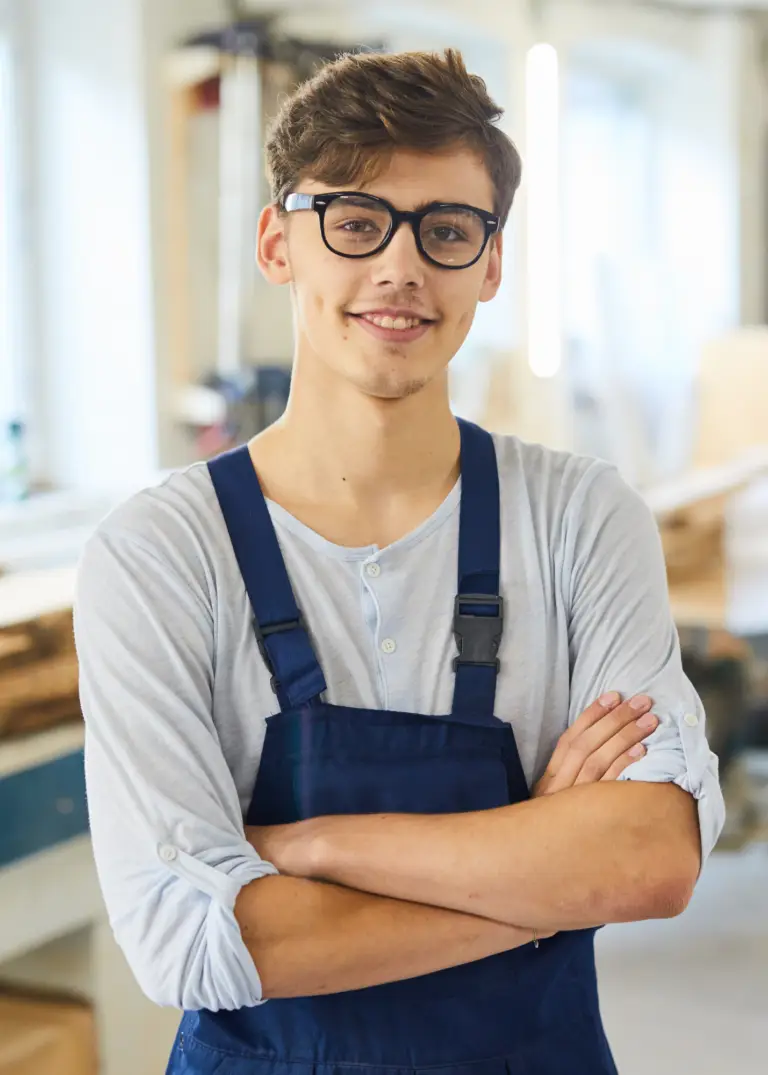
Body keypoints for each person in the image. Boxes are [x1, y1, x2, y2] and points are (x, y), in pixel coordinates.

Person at [74, 48, 724, 1075]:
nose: (401, 268)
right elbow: (190, 941)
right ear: (276, 244)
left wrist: (317, 848)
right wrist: (542, 875)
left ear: (492, 264)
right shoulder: (157, 554)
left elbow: (647, 858)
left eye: (448, 230)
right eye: (355, 220)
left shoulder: (580, 520)